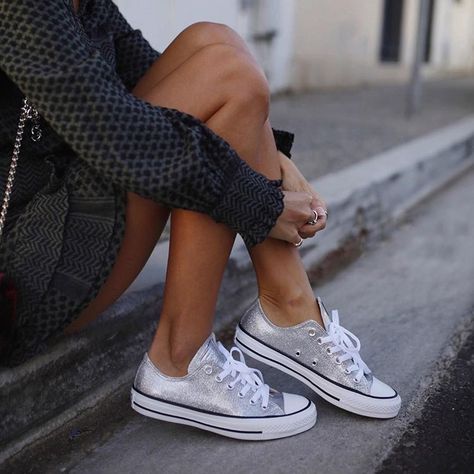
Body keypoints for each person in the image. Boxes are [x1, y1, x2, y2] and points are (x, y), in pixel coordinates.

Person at [0, 0, 400, 440]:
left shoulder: (86, 5)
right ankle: (180, 358)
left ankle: (290, 309)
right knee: (229, 78)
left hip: (73, 200)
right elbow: (120, 137)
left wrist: (278, 161)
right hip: (32, 263)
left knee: (214, 41)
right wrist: (260, 204)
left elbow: (175, 78)